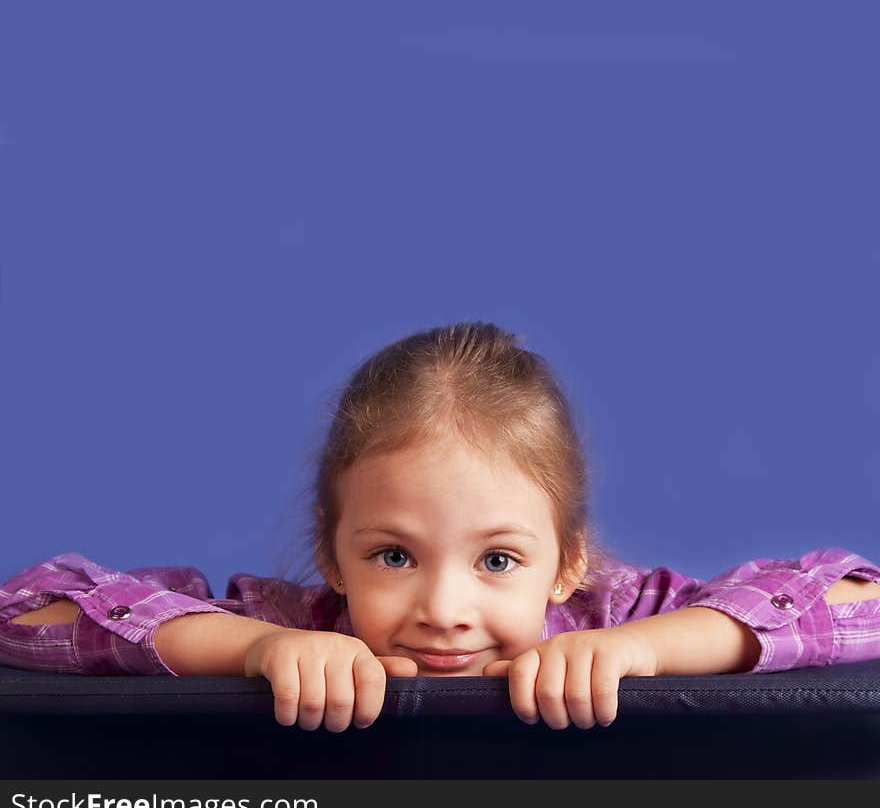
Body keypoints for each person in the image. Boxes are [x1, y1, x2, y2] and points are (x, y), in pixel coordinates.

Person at [2, 321, 879, 734]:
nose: (445, 607)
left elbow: (859, 598)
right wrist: (248, 653)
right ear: (332, 554)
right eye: (393, 555)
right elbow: (27, 611)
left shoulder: (621, 616)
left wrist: (647, 651)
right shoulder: (289, 626)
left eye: (499, 558)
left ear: (568, 562)